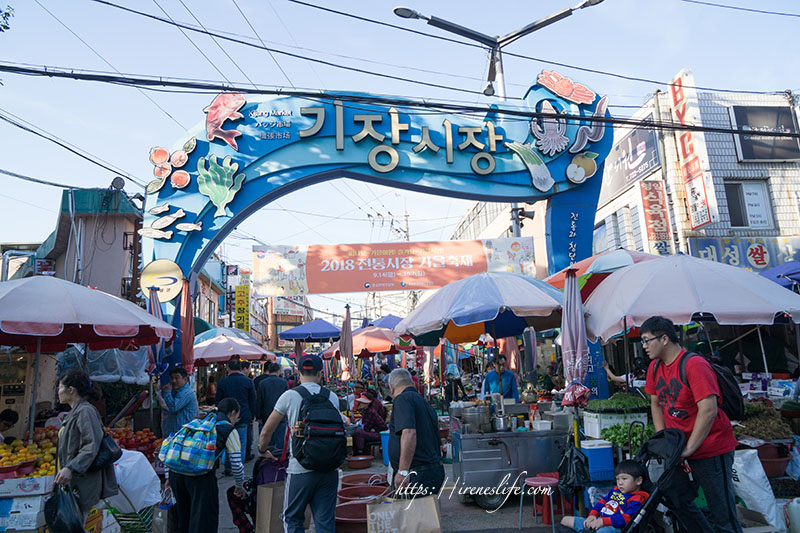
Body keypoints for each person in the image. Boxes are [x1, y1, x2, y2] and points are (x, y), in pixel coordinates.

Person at [642, 316, 741, 533]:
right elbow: (655, 403)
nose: (645, 347)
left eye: (647, 340)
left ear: (664, 338)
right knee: (677, 500)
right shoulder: (655, 367)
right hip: (679, 450)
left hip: (711, 449)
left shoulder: (694, 364)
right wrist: (666, 441)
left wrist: (691, 448)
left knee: (722, 512)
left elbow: (709, 409)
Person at [258, 355, 341, 533]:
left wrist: (262, 450)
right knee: (325, 520)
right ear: (321, 373)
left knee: (293, 518)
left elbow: (266, 431)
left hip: (300, 469)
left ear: (298, 372)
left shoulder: (290, 396)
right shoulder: (332, 397)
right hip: (329, 468)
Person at [168, 397, 245, 533]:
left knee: (183, 519)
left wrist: (168, 476)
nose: (236, 421)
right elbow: (236, 463)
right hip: (201, 478)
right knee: (203, 522)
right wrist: (239, 485)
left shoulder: (199, 422)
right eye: (237, 417)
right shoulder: (229, 430)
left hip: (176, 475)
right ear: (232, 413)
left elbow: (175, 446)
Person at [54, 369, 119, 520]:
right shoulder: (75, 412)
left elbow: (91, 446)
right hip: (75, 481)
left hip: (83, 482)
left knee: (76, 523)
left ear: (71, 390)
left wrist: (71, 468)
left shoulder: (85, 411)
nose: (58, 391)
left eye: (60, 387)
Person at [387, 368, 444, 496]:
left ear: (391, 388)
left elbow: (409, 433)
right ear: (412, 384)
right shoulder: (423, 401)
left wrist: (403, 471)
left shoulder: (403, 399)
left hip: (418, 473)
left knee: (415, 515)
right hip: (430, 471)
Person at [561, 460, 649, 532]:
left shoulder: (637, 498)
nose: (620, 482)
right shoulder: (615, 490)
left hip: (613, 527)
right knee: (565, 520)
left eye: (624, 479)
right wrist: (592, 515)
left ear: (638, 481)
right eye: (617, 479)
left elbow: (627, 518)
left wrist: (603, 522)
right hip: (598, 520)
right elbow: (602, 502)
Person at [217, 358, 257, 465]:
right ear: (240, 368)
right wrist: (252, 416)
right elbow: (252, 401)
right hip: (243, 415)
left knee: (227, 442)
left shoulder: (223, 382)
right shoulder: (248, 382)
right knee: (241, 443)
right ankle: (239, 466)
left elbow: (218, 401)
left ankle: (228, 467)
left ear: (228, 368)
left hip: (226, 417)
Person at [255, 362, 288, 451]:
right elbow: (287, 399)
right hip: (281, 415)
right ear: (278, 371)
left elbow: (259, 401)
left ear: (269, 371)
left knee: (269, 437)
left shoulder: (262, 383)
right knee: (280, 439)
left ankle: (269, 456)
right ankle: (280, 458)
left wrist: (258, 416)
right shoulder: (283, 383)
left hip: (267, 415)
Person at [156, 366, 198, 437]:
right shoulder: (179, 392)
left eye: (177, 378)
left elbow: (174, 407)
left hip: (184, 435)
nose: (173, 381)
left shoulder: (186, 392)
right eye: (172, 378)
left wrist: (167, 392)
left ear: (185, 379)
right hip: (180, 434)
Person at [353, 390, 388, 455]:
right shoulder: (366, 411)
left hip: (381, 434)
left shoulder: (370, 412)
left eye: (362, 402)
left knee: (358, 432)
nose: (359, 404)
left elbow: (366, 428)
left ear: (367, 403)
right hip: (377, 432)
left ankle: (360, 452)